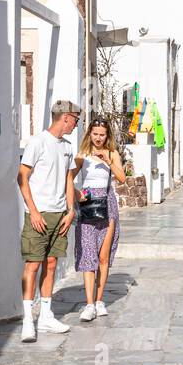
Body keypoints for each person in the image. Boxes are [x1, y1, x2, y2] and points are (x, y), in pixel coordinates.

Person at [16, 99, 81, 342]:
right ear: (65, 117)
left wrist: (70, 210)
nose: (76, 124)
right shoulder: (38, 142)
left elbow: (68, 179)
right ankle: (27, 320)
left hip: (59, 214)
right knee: (32, 264)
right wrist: (33, 211)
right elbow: (22, 177)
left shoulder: (66, 147)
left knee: (51, 263)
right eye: (75, 119)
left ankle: (45, 316)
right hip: (39, 213)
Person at [73, 116, 125, 322]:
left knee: (103, 256)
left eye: (102, 135)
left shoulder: (112, 153)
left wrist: (108, 160)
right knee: (88, 253)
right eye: (95, 134)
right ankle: (89, 304)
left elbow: (121, 178)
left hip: (107, 203)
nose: (98, 138)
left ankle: (100, 300)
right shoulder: (82, 154)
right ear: (89, 134)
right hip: (88, 202)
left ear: (107, 135)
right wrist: (77, 193)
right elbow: (70, 177)